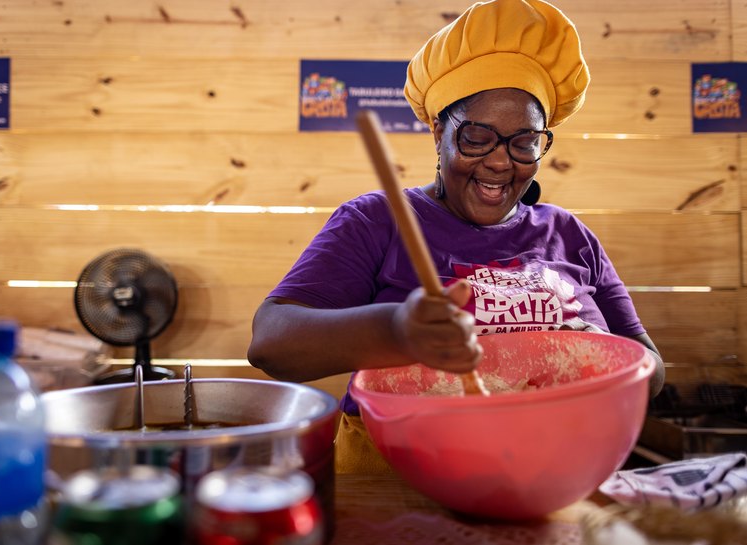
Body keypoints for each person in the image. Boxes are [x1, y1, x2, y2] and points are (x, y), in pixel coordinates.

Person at [248, 0, 665, 473]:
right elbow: (271, 344)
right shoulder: (379, 220)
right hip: (400, 482)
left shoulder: (569, 234)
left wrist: (601, 357)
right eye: (476, 138)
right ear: (438, 133)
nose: (501, 161)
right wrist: (397, 331)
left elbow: (651, 370)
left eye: (524, 142)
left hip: (552, 474)